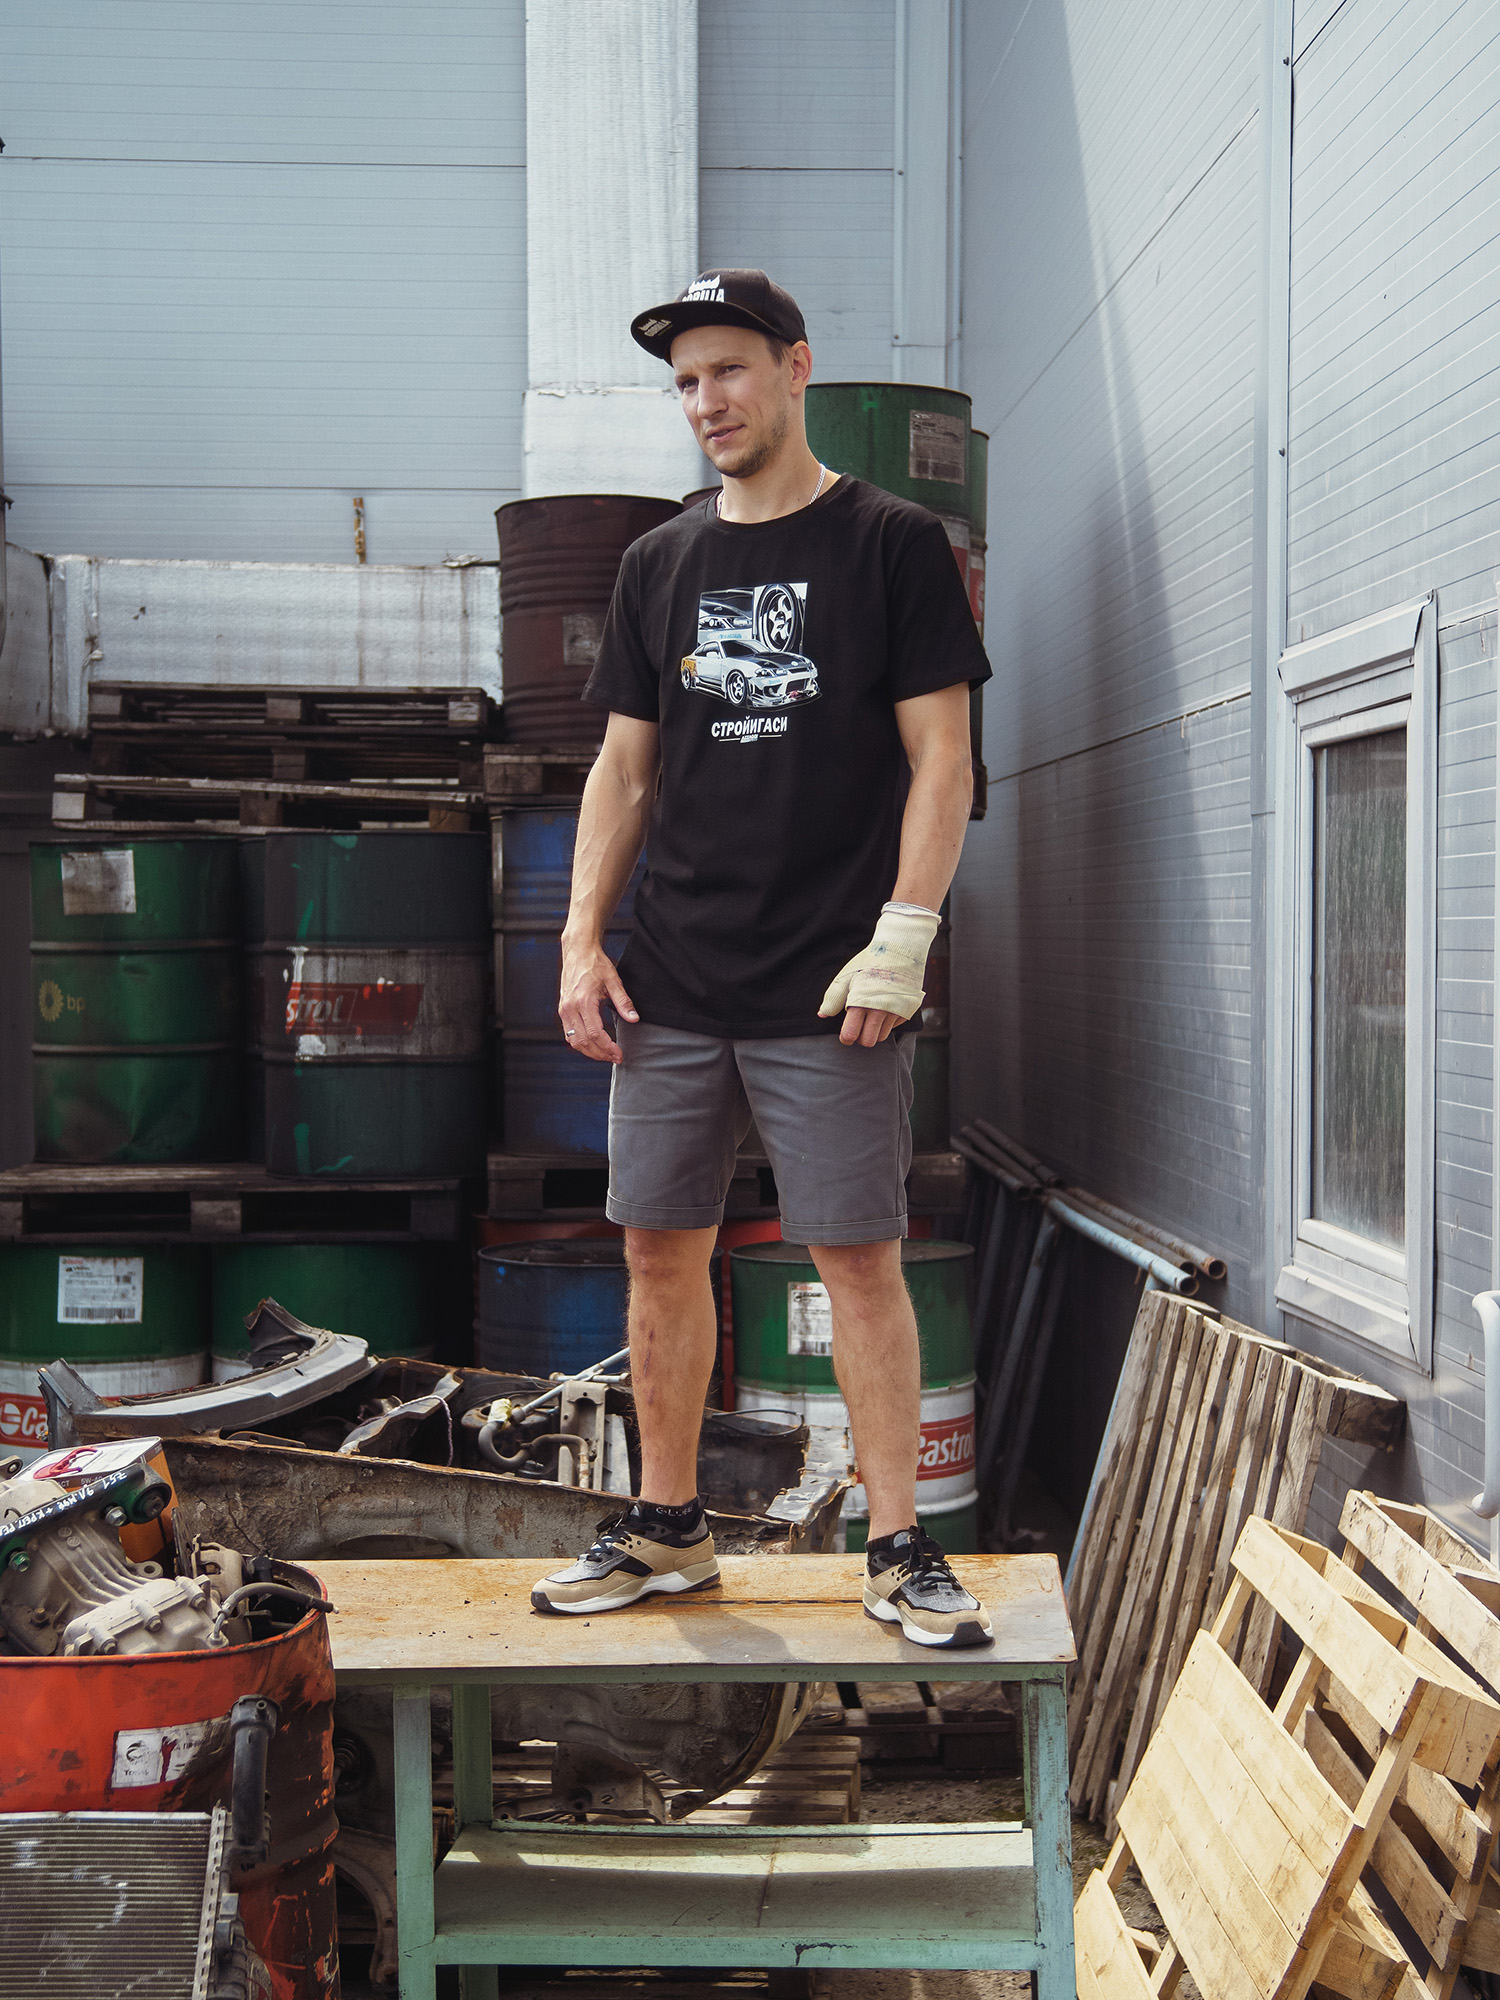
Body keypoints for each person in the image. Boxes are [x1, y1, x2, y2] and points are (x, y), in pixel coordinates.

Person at [531, 269, 993, 1648]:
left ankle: (898, 1546)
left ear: (796, 367)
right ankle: (669, 1527)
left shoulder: (893, 544)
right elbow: (623, 773)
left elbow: (944, 761)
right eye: (686, 382)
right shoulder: (659, 565)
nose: (706, 402)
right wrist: (579, 942)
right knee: (656, 1251)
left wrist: (905, 933)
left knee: (856, 1260)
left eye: (729, 370)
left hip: (831, 989)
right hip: (674, 978)